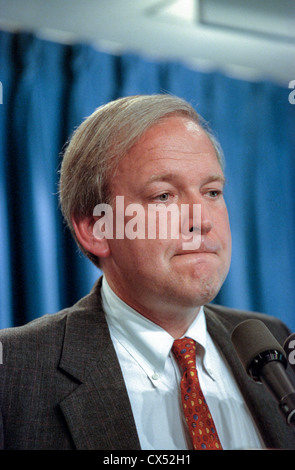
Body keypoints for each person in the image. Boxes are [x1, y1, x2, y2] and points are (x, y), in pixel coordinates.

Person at [0, 94, 294, 450]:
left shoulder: (272, 343)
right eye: (164, 197)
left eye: (212, 191)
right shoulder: (15, 371)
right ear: (97, 229)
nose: (201, 221)